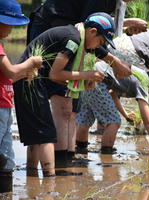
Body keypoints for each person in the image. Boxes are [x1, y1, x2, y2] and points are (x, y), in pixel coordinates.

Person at [13, 12, 116, 177]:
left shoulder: (75, 35)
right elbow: (55, 74)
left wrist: (81, 82)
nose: (98, 46)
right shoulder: (73, 40)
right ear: (92, 32)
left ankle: (31, 178)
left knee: (36, 136)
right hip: (30, 77)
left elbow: (58, 77)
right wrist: (86, 75)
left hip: (27, 78)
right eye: (101, 41)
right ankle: (52, 181)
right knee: (46, 133)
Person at [76, 62, 149, 156]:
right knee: (114, 122)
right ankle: (106, 154)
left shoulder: (137, 77)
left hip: (91, 75)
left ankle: (80, 149)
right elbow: (148, 122)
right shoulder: (144, 82)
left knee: (85, 119)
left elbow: (113, 94)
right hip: (98, 80)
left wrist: (125, 115)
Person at [0, 0, 42, 193]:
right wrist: (30, 62)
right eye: (8, 23)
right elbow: (10, 71)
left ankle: (6, 191)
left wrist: (25, 73)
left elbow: (9, 75)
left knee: (7, 154)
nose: (10, 29)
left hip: (6, 106)